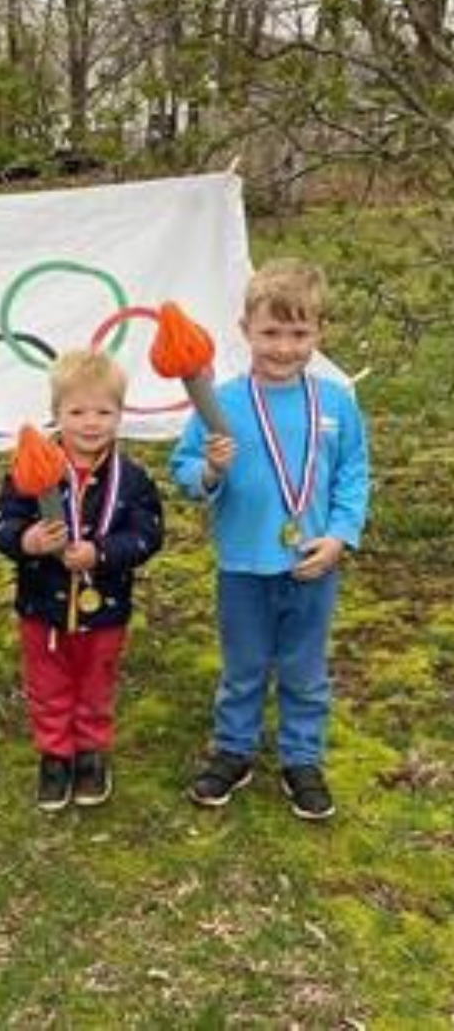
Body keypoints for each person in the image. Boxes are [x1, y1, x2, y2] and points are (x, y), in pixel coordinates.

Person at [170, 258, 369, 821]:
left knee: (306, 669)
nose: (284, 347)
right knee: (245, 665)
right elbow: (183, 469)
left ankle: (302, 758)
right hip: (243, 563)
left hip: (314, 563)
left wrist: (338, 536)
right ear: (245, 331)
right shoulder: (220, 403)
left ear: (319, 333)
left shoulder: (335, 403)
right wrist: (208, 471)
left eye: (299, 333)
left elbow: (353, 473)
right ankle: (234, 750)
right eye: (271, 333)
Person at [0, 350, 164, 811]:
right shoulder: (31, 471)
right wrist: (26, 540)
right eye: (77, 412)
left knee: (95, 684)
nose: (91, 423)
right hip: (41, 609)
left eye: (104, 412)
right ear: (56, 414)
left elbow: (148, 535)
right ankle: (54, 756)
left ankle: (90, 753)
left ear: (121, 415)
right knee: (47, 685)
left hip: (105, 609)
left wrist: (101, 553)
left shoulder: (133, 480)